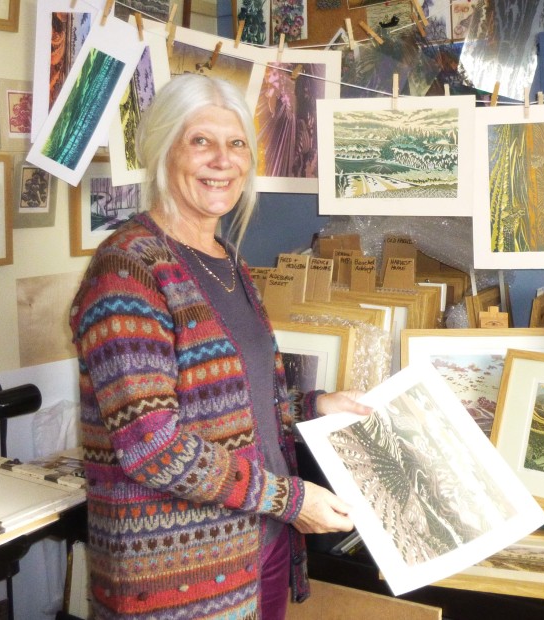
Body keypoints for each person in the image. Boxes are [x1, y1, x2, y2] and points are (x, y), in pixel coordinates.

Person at [69, 73, 371, 620]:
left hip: (262, 546)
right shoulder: (129, 270)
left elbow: (234, 408)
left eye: (236, 144)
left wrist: (313, 407)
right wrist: (292, 499)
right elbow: (154, 446)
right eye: (200, 141)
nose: (222, 160)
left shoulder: (226, 260)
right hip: (176, 574)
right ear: (164, 151)